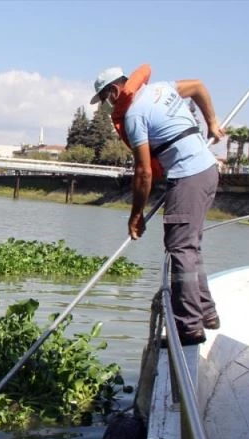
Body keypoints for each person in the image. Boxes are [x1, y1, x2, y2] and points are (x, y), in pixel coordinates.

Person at [90, 65, 224, 346]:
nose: (107, 105)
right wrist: (212, 122)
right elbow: (198, 85)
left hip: (189, 175)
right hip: (207, 170)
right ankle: (207, 313)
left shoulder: (134, 115)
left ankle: (189, 328)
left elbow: (143, 173)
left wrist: (136, 215)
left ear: (114, 91)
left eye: (105, 99)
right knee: (190, 247)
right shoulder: (162, 88)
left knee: (180, 249)